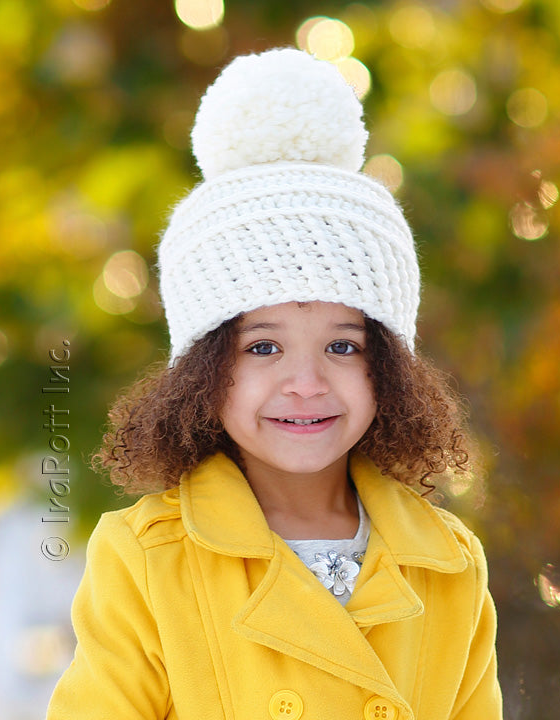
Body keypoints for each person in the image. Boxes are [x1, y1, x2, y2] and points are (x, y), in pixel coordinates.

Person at [47, 47, 503, 720]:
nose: (305, 382)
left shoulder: (449, 565)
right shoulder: (147, 559)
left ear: (390, 370)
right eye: (262, 347)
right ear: (203, 372)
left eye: (343, 346)